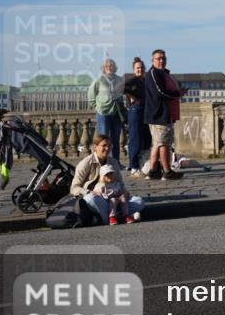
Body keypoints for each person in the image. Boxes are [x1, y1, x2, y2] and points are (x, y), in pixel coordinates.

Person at [71, 134, 145, 224]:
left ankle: (114, 216)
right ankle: (118, 217)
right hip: (97, 199)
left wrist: (124, 193)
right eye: (104, 146)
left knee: (139, 201)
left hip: (113, 198)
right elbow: (74, 188)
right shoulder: (85, 163)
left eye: (109, 146)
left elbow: (120, 183)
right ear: (95, 147)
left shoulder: (113, 162)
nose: (107, 148)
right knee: (90, 199)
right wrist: (89, 192)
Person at [143, 49, 185, 180]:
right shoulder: (154, 73)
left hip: (163, 114)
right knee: (164, 144)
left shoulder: (162, 73)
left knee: (157, 143)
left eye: (164, 58)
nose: (162, 61)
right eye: (159, 58)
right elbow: (160, 92)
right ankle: (167, 171)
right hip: (159, 114)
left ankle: (153, 170)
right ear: (152, 60)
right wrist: (177, 93)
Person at [88, 58, 125, 162]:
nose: (109, 68)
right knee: (103, 140)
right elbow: (91, 95)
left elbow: (123, 94)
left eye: (111, 66)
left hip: (116, 113)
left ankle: (115, 162)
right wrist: (97, 106)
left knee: (115, 140)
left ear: (115, 67)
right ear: (104, 68)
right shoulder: (99, 80)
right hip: (103, 113)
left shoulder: (119, 80)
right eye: (107, 66)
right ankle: (103, 162)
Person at [123, 57, 152, 178]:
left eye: (141, 68)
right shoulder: (132, 80)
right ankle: (134, 166)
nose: (139, 70)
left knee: (147, 138)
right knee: (135, 139)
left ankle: (143, 164)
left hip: (145, 112)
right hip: (135, 111)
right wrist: (130, 95)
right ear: (134, 70)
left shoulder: (145, 81)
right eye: (137, 68)